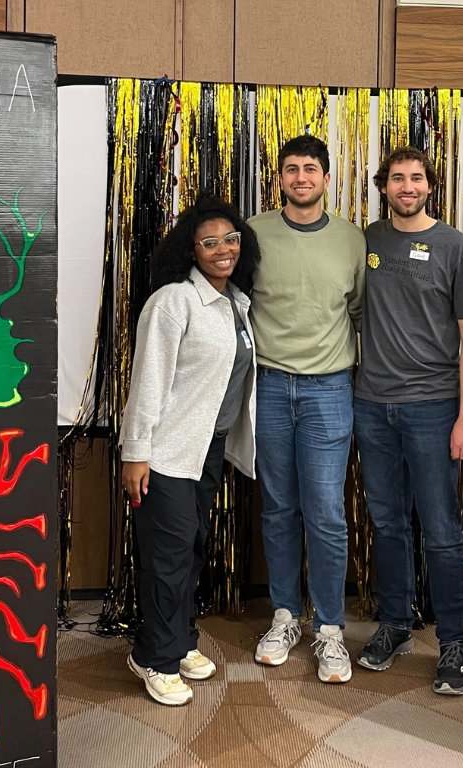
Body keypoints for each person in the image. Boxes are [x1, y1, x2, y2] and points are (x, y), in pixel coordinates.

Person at [353, 146, 463, 696]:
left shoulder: (456, 248)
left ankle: (455, 642)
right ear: (382, 186)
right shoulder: (366, 242)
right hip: (371, 406)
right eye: (396, 178)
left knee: (440, 530)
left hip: (435, 409)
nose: (406, 186)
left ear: (429, 186)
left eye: (415, 178)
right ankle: (395, 625)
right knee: (386, 523)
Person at [119, 194, 260, 706]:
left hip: (208, 451)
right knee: (168, 558)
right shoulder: (174, 301)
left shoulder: (237, 303)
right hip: (165, 453)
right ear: (191, 251)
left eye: (230, 239)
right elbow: (148, 382)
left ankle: (176, 643)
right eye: (209, 243)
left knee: (190, 552)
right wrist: (135, 453)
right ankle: (155, 659)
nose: (222, 249)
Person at [247, 135, 365, 683]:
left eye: (310, 169)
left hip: (329, 390)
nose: (301, 177)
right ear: (280, 178)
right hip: (269, 386)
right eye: (291, 169)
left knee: (326, 513)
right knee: (277, 508)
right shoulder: (253, 233)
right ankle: (285, 615)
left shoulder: (351, 240)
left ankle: (330, 630)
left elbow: (360, 310)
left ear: (326, 177)